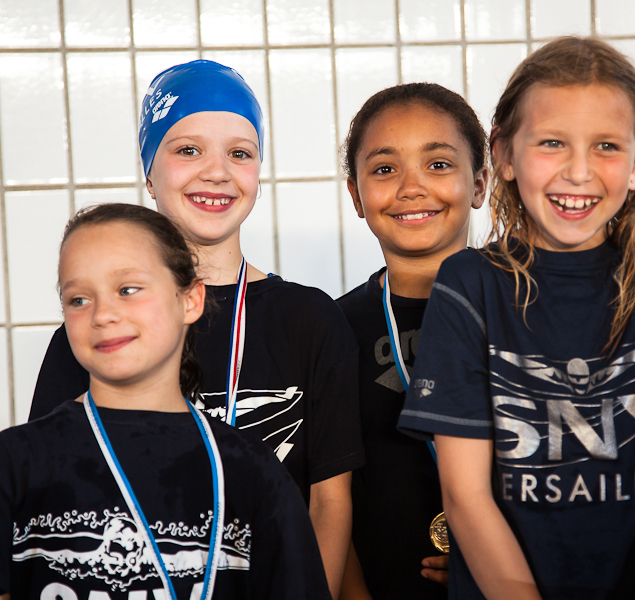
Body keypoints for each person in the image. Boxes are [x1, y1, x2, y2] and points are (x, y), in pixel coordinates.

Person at [397, 36, 635, 600]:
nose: (579, 171)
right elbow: (466, 498)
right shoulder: (469, 286)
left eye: (606, 145)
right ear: (504, 155)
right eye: (552, 143)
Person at [28, 60, 363, 599]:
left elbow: (328, 502)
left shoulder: (310, 320)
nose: (217, 172)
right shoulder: (99, 333)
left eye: (240, 153)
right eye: (188, 150)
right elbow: (44, 506)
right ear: (149, 174)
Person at [0, 203, 331, 599]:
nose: (102, 314)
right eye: (78, 299)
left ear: (190, 300)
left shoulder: (251, 469)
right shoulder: (16, 461)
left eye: (128, 290)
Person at [336, 83, 488, 600]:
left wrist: (501, 564)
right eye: (384, 169)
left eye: (438, 164)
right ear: (356, 195)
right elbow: (323, 493)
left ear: (480, 183)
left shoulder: (527, 310)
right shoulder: (332, 329)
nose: (411, 188)